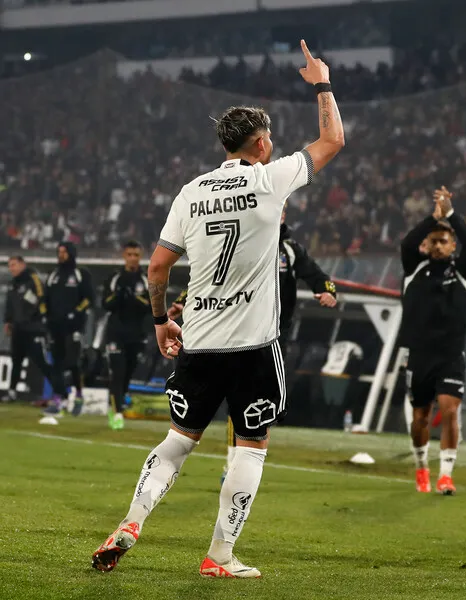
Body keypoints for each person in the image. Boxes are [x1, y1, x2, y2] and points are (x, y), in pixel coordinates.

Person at [91, 40, 344, 578]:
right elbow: (332, 140)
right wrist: (322, 82)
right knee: (251, 447)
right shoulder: (270, 179)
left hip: (199, 342)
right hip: (253, 347)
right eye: (270, 138)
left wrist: (161, 322)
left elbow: (157, 268)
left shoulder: (190, 193)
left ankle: (130, 523)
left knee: (177, 442)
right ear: (261, 143)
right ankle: (219, 556)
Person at [400, 185, 466, 495]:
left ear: (452, 245)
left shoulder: (461, 272)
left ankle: (446, 475)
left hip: (450, 355)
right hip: (419, 355)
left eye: (443, 241)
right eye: (432, 241)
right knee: (420, 417)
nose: (437, 246)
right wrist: (433, 218)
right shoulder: (414, 268)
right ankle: (422, 467)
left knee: (449, 409)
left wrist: (451, 214)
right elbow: (407, 243)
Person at [2, 256, 67, 403]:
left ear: (22, 264)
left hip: (34, 329)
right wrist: (8, 321)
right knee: (16, 361)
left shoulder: (33, 279)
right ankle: (12, 392)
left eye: (14, 265)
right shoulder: (13, 283)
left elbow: (41, 299)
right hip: (18, 329)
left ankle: (61, 393)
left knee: (42, 363)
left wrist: (37, 319)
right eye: (10, 265)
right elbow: (10, 304)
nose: (11, 268)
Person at [102, 241, 151, 431]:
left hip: (136, 334)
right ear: (124, 256)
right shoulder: (115, 277)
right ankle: (117, 413)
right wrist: (118, 296)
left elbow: (151, 306)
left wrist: (134, 297)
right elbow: (105, 303)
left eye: (136, 255)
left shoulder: (146, 279)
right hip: (116, 333)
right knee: (118, 372)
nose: (132, 258)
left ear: (140, 256)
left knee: (128, 374)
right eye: (129, 254)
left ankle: (115, 404)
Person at [278, 207, 338, 354]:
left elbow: (319, 277)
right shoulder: (244, 244)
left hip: (277, 329)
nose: (280, 213)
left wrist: (328, 291)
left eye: (282, 210)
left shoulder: (291, 249)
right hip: (242, 326)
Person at [44, 241, 94, 415]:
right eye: (59, 252)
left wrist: (76, 312)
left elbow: (89, 298)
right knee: (56, 364)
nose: (61, 255)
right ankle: (59, 398)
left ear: (71, 253)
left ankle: (79, 396)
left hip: (74, 327)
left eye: (64, 252)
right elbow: (45, 299)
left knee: (72, 363)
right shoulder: (53, 275)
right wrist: (45, 315)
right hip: (55, 327)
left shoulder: (80, 274)